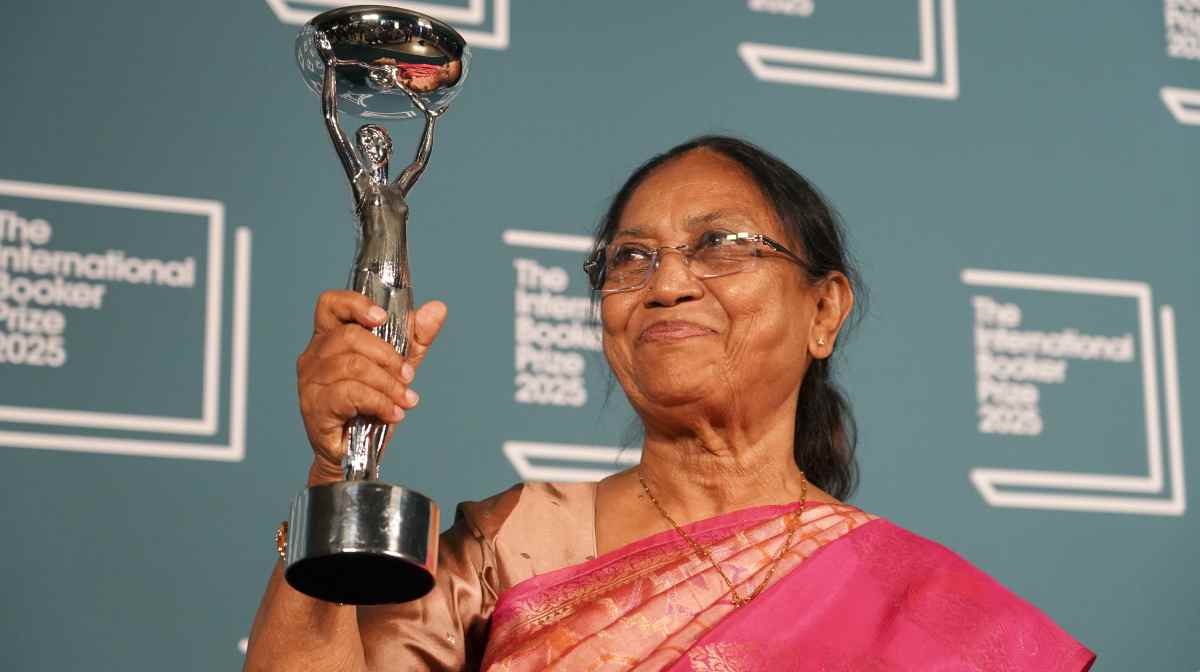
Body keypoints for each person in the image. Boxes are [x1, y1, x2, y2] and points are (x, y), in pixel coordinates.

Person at [246, 136, 1096, 671]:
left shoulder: (921, 608)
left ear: (824, 310)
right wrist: (336, 467)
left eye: (720, 246)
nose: (668, 285)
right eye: (631, 259)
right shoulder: (515, 545)